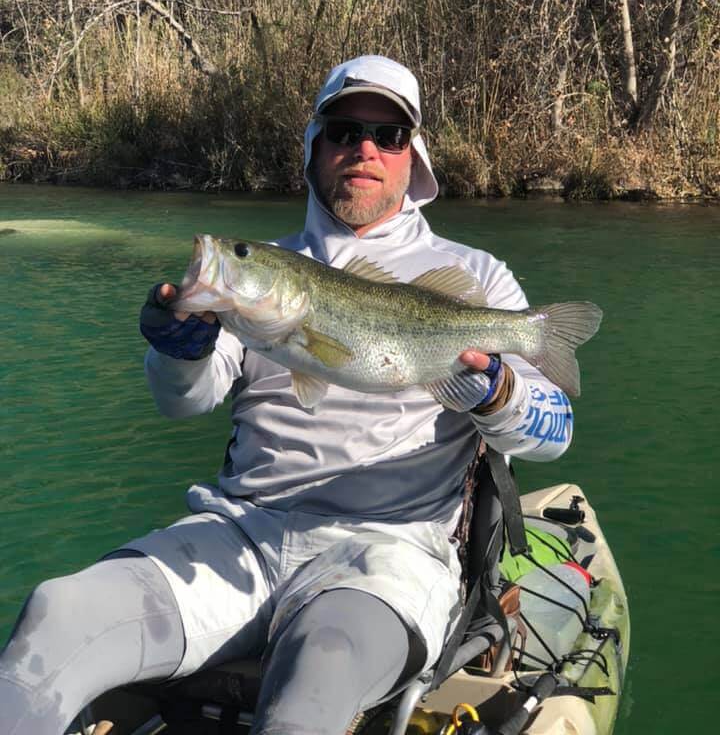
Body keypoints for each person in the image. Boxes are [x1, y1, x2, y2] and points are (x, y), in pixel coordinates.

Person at [0, 55, 575, 735]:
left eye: (387, 136)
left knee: (316, 677)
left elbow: (555, 429)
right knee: (56, 614)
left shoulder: (475, 278)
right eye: (342, 130)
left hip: (387, 553)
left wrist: (498, 391)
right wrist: (174, 353)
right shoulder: (264, 276)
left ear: (411, 156)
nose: (363, 148)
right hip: (239, 532)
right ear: (314, 148)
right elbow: (185, 400)